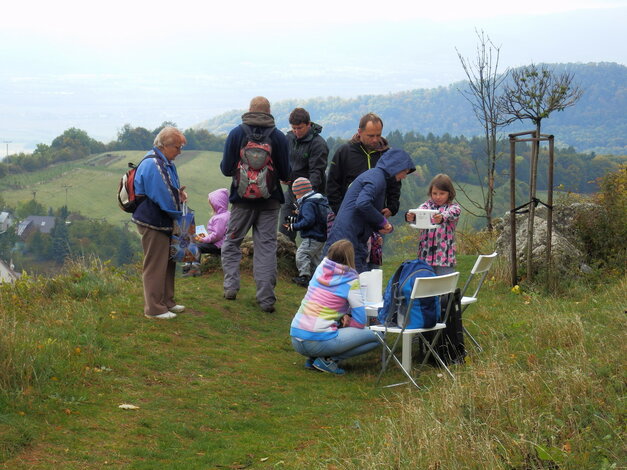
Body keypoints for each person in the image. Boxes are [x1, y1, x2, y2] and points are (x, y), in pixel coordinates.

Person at [220, 96, 290, 313]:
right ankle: (266, 300)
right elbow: (286, 172)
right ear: (269, 112)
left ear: (249, 110)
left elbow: (225, 168)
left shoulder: (236, 133)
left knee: (232, 243)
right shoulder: (278, 137)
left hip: (241, 201)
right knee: (266, 248)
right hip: (270, 201)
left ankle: (231, 288)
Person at [290, 239, 380, 375]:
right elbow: (361, 321)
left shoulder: (320, 269)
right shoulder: (351, 280)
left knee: (326, 329)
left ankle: (314, 358)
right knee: (378, 336)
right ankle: (328, 359)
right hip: (317, 341)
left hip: (296, 337)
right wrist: (349, 323)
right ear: (350, 257)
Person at [324, 148, 415, 273]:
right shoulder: (377, 178)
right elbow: (362, 204)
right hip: (349, 238)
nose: (404, 176)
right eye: (404, 171)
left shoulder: (376, 176)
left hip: (350, 235)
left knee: (343, 276)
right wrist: (383, 222)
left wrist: (377, 227)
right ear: (395, 167)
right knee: (354, 279)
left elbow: (363, 210)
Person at [132, 126, 188, 319]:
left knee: (167, 261)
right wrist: (178, 213)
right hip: (153, 221)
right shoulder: (154, 164)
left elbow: (169, 190)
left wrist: (179, 194)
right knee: (155, 264)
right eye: (178, 148)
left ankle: (167, 301)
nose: (179, 152)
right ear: (165, 145)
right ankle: (155, 309)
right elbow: (163, 195)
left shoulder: (163, 161)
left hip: (162, 220)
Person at [326, 112, 400, 217]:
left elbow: (395, 184)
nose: (375, 139)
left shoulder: (387, 154)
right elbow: (332, 185)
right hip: (349, 216)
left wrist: (392, 208)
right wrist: (340, 212)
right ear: (360, 132)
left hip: (377, 216)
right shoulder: (344, 152)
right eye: (370, 136)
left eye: (378, 135)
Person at [279, 108, 329, 242]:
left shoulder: (318, 144)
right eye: (294, 128)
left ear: (308, 124)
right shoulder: (288, 138)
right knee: (286, 229)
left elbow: (316, 173)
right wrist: (283, 175)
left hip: (312, 196)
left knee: (312, 236)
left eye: (300, 128)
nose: (296, 131)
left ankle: (314, 261)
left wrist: (306, 198)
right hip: (291, 193)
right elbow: (282, 159)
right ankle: (286, 259)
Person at [405, 174, 461, 275]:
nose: (438, 197)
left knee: (444, 287)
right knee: (425, 286)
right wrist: (412, 217)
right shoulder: (426, 206)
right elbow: (419, 212)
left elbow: (452, 214)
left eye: (442, 193)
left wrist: (442, 217)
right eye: (434, 193)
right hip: (425, 257)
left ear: (449, 193)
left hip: (445, 259)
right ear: (430, 193)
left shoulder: (453, 207)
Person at [284, 177, 329, 287]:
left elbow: (308, 221)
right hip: (321, 236)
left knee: (302, 254)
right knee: (316, 258)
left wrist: (293, 226)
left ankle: (304, 277)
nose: (296, 197)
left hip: (312, 236)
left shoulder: (308, 203)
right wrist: (292, 220)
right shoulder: (318, 201)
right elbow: (312, 218)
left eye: (296, 194)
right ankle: (318, 279)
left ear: (301, 193)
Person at [182, 188, 231, 277]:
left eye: (212, 204)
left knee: (196, 247)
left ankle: (193, 268)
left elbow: (217, 235)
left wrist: (204, 239)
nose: (212, 206)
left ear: (217, 204)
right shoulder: (227, 214)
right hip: (223, 243)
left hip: (219, 246)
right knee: (193, 245)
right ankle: (189, 267)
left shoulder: (220, 218)